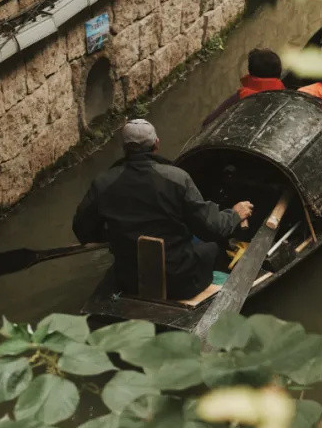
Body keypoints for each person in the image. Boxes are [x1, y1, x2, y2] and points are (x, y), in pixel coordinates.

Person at [72, 119, 254, 299]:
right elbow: (212, 228)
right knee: (212, 248)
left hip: (130, 281)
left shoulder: (103, 182)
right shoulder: (177, 178)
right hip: (180, 282)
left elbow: (82, 230)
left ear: (125, 148)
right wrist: (235, 214)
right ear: (156, 144)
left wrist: (114, 235)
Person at [202, 48, 286, 127]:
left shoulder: (241, 97)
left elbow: (208, 122)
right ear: (279, 72)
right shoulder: (283, 93)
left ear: (250, 71)